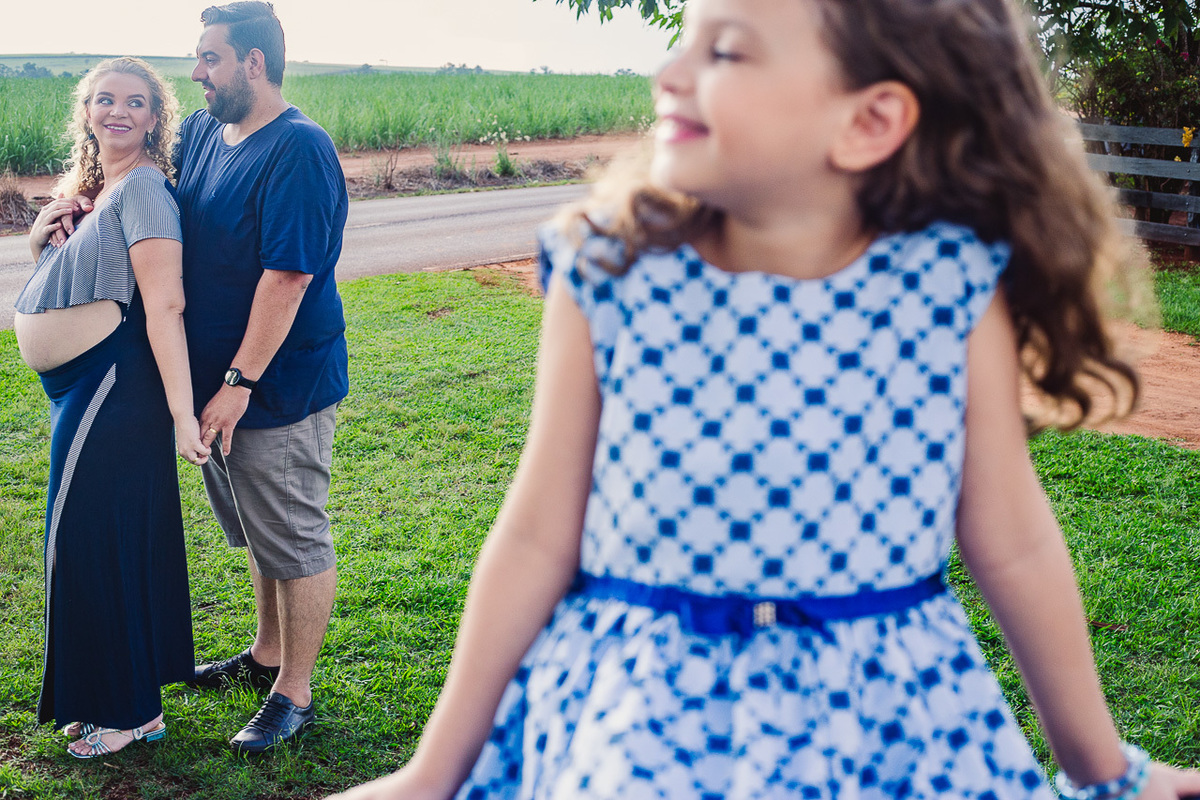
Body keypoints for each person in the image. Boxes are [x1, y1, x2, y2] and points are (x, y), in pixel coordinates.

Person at [329, 0, 1200, 798]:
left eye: (728, 51)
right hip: (642, 725)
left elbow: (1011, 541)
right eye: (687, 41)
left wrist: (1105, 770)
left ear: (868, 121)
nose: (670, 73)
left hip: (888, 729)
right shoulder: (608, 270)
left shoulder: (947, 288)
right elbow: (533, 535)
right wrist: (430, 777)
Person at [13, 57, 208, 759]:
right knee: (102, 541)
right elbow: (72, 274)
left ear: (155, 117)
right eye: (104, 100)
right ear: (87, 111)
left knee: (87, 541)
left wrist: (183, 414)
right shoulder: (101, 188)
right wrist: (41, 240)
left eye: (134, 102)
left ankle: (126, 712)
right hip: (84, 386)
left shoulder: (147, 189)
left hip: (112, 388)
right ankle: (125, 701)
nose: (117, 112)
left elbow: (165, 305)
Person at [174, 1, 349, 754]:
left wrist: (238, 383)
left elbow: (288, 277)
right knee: (257, 530)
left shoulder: (299, 150)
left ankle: (294, 693)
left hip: (274, 389)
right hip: (222, 385)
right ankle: (265, 655)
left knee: (293, 534)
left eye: (210, 58)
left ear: (253, 62)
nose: (197, 73)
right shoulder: (204, 132)